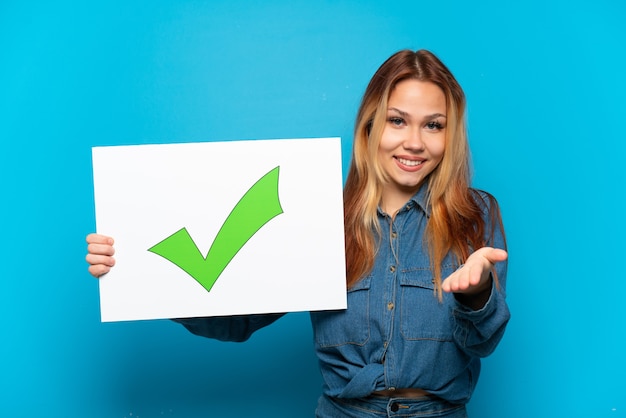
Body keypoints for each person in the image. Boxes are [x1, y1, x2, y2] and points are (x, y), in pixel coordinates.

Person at [86, 49, 510, 418]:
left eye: (433, 125)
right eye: (397, 121)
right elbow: (238, 320)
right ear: (369, 125)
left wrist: (478, 291)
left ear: (450, 135)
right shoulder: (320, 214)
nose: (414, 142)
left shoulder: (475, 215)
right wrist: (139, 271)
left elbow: (481, 341)